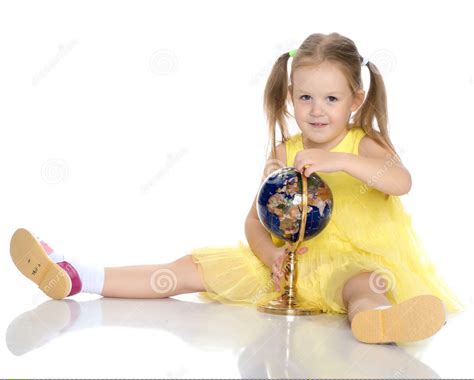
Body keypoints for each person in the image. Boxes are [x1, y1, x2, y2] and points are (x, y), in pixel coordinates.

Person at [10, 32, 463, 345]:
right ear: (291, 97)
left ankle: (376, 323)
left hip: (356, 264)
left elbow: (401, 181)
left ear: (355, 101)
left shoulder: (363, 142)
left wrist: (339, 160)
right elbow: (255, 219)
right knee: (186, 268)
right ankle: (76, 275)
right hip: (290, 265)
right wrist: (270, 257)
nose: (318, 110)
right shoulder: (284, 152)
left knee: (363, 287)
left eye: (331, 99)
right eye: (306, 97)